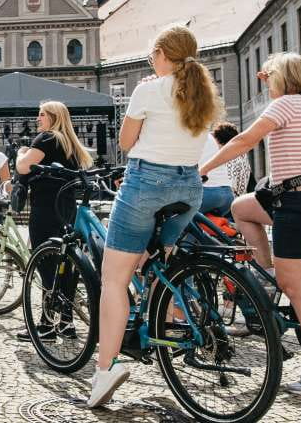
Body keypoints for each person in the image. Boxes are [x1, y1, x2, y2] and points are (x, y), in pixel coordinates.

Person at [200, 52, 301, 397]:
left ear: (282, 80)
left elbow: (242, 141)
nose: (266, 85)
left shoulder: (283, 107)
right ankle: (264, 269)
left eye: (270, 79)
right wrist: (273, 78)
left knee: (296, 287)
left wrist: (203, 169)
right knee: (241, 207)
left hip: (293, 204)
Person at [87, 26, 220, 407]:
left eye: (152, 56)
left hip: (147, 184)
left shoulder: (148, 90)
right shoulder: (202, 91)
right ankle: (163, 304)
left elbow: (126, 143)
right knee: (155, 256)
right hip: (190, 188)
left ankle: (105, 369)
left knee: (114, 280)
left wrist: (148, 90)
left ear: (162, 54)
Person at [15, 100, 93, 342]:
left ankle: (46, 325)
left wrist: (21, 153)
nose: (38, 119)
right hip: (67, 207)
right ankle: (66, 324)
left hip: (45, 208)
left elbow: (24, 167)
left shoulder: (46, 139)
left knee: (45, 263)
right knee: (67, 264)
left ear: (52, 117)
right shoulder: (70, 143)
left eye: (41, 115)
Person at [199, 122, 250, 218]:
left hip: (208, 193)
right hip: (228, 195)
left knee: (182, 216)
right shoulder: (236, 153)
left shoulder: (203, 139)